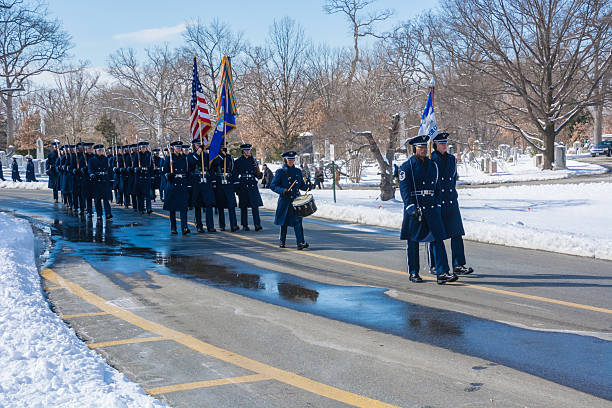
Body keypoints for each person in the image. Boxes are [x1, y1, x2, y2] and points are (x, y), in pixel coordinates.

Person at [398, 134, 457, 284]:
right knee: (413, 241)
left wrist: (437, 204)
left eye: (425, 147)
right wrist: (410, 207)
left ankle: (442, 272)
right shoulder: (407, 166)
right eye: (420, 147)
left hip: (431, 207)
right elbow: (404, 189)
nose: (424, 150)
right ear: (414, 149)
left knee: (438, 239)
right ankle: (413, 272)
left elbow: (437, 187)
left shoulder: (433, 166)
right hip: (416, 207)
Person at [428, 133, 474, 276]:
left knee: (457, 233)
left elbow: (453, 179)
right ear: (435, 144)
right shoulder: (431, 160)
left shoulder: (452, 159)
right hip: (438, 202)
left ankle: (458, 264)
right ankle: (435, 265)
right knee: (435, 236)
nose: (444, 146)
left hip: (451, 201)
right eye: (441, 143)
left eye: (445, 143)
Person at [270, 150, 309, 250]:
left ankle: (300, 242)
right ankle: (282, 241)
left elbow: (301, 186)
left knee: (298, 221)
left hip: (296, 200)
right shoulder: (280, 172)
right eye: (289, 159)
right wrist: (282, 190)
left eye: (292, 159)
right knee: (284, 222)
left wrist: (308, 186)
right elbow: (273, 186)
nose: (291, 161)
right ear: (285, 160)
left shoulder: (298, 172)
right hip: (285, 200)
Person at [232, 143, 264, 231]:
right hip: (243, 184)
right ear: (243, 151)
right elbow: (235, 175)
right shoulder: (238, 161)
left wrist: (259, 174)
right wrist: (237, 186)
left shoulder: (253, 161)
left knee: (255, 206)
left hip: (252, 184)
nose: (248, 151)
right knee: (244, 206)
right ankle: (244, 224)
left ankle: (257, 224)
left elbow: (257, 174)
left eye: (249, 150)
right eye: (246, 150)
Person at [163, 141, 190, 234]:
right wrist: (168, 175)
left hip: (182, 183)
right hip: (173, 184)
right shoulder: (169, 158)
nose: (178, 149)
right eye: (177, 147)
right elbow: (164, 171)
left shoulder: (184, 158)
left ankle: (184, 227)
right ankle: (173, 228)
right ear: (173, 148)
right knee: (172, 208)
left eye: (180, 147)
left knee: (183, 208)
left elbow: (187, 171)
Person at [189, 140, 216, 233]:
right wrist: (198, 152)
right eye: (197, 145)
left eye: (200, 145)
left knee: (208, 204)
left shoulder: (206, 156)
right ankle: (199, 226)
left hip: (206, 181)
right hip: (197, 181)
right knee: (198, 205)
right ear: (194, 146)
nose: (199, 146)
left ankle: (210, 226)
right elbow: (191, 162)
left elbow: (211, 168)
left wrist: (213, 181)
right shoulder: (191, 155)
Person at [211, 147, 239, 232]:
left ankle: (233, 225)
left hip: (229, 182)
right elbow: (214, 165)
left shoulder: (230, 157)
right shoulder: (216, 157)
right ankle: (222, 225)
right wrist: (221, 156)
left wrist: (235, 181)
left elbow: (234, 170)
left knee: (231, 205)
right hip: (219, 182)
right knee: (220, 206)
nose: (224, 149)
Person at [87, 144, 113, 220]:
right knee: (97, 199)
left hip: (104, 180)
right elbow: (90, 168)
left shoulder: (106, 159)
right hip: (96, 180)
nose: (100, 151)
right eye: (98, 150)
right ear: (96, 151)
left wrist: (111, 179)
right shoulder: (92, 159)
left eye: (101, 150)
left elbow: (109, 169)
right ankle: (99, 214)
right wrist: (91, 174)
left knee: (106, 199)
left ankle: (108, 213)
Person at [135, 141, 153, 214]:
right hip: (140, 176)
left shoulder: (149, 155)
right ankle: (141, 208)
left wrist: (152, 175)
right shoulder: (137, 155)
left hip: (147, 175)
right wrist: (137, 169)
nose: (143, 148)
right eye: (142, 147)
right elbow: (134, 167)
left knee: (148, 193)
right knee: (140, 194)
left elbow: (151, 165)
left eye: (144, 147)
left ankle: (149, 208)